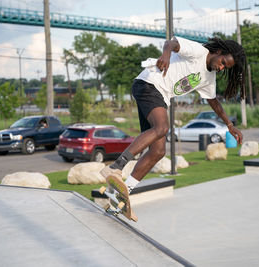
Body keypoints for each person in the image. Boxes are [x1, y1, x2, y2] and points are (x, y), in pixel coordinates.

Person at [101, 35, 247, 194]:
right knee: (162, 127)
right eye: (223, 62)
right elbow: (171, 43)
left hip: (160, 97)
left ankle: (121, 192)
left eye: (225, 68)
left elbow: (214, 103)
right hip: (148, 84)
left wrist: (230, 125)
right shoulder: (198, 51)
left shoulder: (209, 78)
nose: (221, 67)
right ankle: (116, 167)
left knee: (158, 151)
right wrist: (166, 54)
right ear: (219, 52)